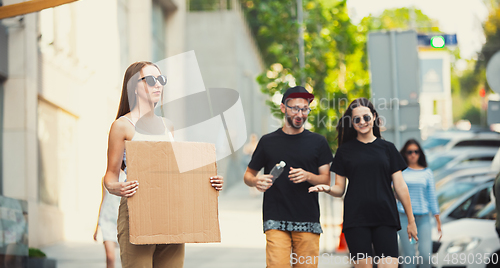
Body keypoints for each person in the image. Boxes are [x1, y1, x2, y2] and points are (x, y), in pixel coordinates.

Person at [103, 61, 224, 268]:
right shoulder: (122, 126)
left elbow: (176, 172)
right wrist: (116, 187)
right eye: (150, 80)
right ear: (134, 86)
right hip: (137, 211)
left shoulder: (168, 126)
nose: (158, 85)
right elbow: (110, 176)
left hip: (171, 213)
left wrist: (208, 182)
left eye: (161, 80)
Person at [309, 97, 418, 268]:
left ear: (374, 117)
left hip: (385, 217)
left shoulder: (388, 148)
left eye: (366, 117)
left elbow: (400, 186)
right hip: (356, 219)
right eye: (357, 119)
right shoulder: (344, 151)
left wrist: (411, 221)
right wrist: (327, 189)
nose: (362, 122)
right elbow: (339, 189)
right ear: (352, 123)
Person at [243, 86, 333, 268]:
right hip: (275, 219)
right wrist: (256, 181)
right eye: (295, 108)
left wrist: (308, 175)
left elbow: (326, 179)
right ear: (283, 108)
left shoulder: (318, 142)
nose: (300, 113)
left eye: (305, 109)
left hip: (308, 220)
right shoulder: (268, 141)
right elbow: (248, 174)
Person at [397, 139, 441, 268]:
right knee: (409, 256)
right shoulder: (400, 172)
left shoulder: (427, 172)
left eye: (416, 151)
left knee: (426, 255)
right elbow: (394, 191)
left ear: (420, 153)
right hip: (404, 217)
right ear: (405, 154)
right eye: (409, 152)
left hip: (423, 218)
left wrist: (438, 220)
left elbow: (432, 196)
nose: (413, 155)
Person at [94, 175, 123, 268]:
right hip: (107, 220)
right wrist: (97, 227)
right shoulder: (106, 178)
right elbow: (103, 199)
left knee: (127, 258)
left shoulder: (128, 175)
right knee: (110, 257)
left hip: (123, 219)